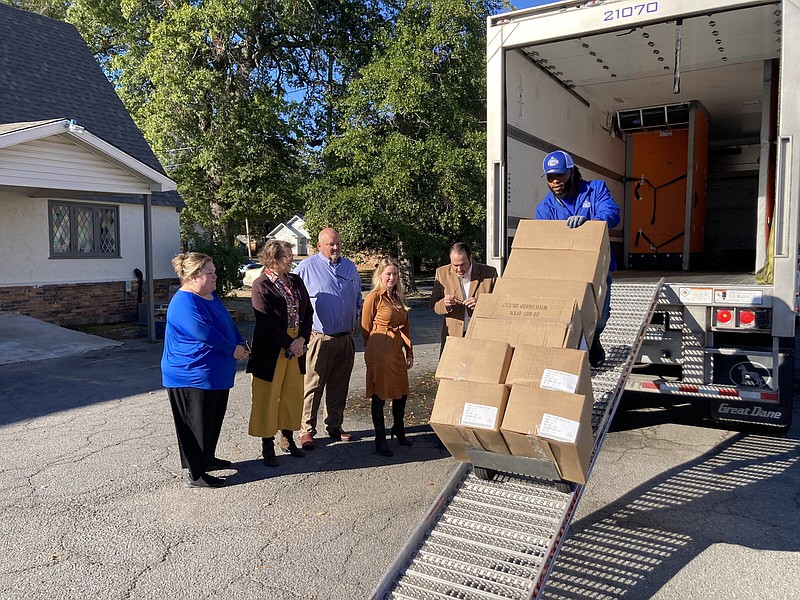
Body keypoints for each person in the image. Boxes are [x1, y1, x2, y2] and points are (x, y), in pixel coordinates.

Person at [161, 252, 250, 488]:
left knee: (211, 420)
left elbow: (227, 325)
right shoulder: (184, 302)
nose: (215, 277)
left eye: (214, 272)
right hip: (191, 374)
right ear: (192, 276)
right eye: (209, 273)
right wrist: (233, 350)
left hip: (213, 373)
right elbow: (204, 333)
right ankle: (196, 473)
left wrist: (241, 343)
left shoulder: (209, 296)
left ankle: (207, 459)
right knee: (196, 423)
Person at [535, 149, 621, 367]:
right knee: (569, 315)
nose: (555, 181)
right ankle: (575, 352)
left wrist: (590, 224)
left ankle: (594, 338)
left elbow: (612, 214)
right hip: (565, 272)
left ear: (571, 172)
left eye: (560, 175)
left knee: (601, 314)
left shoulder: (595, 190)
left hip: (597, 267)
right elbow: (546, 242)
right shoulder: (544, 209)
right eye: (550, 177)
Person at [293, 228, 363, 450]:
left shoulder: (349, 267)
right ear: (319, 245)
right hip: (318, 339)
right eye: (331, 244)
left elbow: (358, 296)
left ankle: (334, 425)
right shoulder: (305, 269)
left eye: (338, 243)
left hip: (345, 338)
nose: (335, 247)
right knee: (312, 386)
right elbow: (294, 302)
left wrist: (357, 315)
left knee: (339, 384)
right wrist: (302, 331)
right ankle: (306, 430)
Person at [246, 240, 314, 468]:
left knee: (292, 394)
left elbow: (308, 311)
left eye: (291, 254)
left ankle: (288, 437)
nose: (292, 258)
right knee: (268, 396)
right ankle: (267, 445)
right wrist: (290, 343)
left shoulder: (295, 280)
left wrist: (302, 339)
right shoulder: (261, 284)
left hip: (297, 344)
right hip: (272, 348)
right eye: (286, 256)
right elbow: (264, 322)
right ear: (273, 259)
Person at [361, 257, 414, 456]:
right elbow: (365, 328)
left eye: (394, 274)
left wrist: (409, 351)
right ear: (380, 275)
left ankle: (398, 429)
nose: (391, 278)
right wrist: (375, 348)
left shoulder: (398, 297)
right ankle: (380, 438)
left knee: (402, 390)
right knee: (380, 393)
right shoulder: (374, 297)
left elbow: (406, 326)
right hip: (379, 349)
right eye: (388, 274)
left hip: (396, 349)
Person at [430, 242, 498, 353]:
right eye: (455, 265)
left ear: (470, 258)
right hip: (453, 336)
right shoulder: (442, 273)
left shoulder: (489, 273)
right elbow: (434, 305)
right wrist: (444, 303)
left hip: (481, 336)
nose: (459, 269)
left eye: (462, 264)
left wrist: (482, 304)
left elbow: (499, 304)